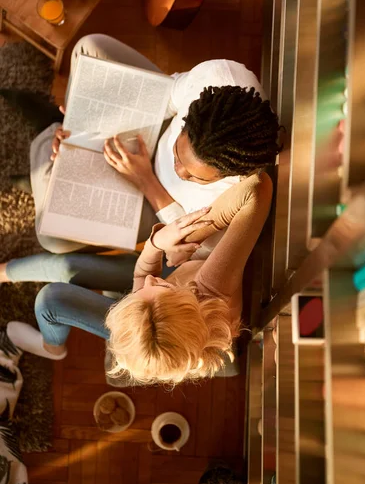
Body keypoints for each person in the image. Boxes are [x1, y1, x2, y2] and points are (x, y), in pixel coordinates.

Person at [6, 173, 272, 385]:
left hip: (162, 328)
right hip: (183, 297)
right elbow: (257, 188)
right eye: (159, 288)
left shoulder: (158, 308)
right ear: (185, 298)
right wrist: (187, 232)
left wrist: (156, 245)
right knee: (64, 270)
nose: (147, 282)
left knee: (51, 299)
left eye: (141, 294)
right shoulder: (213, 287)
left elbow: (142, 276)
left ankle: (51, 347)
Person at [30, 34, 280, 259]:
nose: (179, 170)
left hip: (157, 200)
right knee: (89, 47)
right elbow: (169, 96)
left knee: (49, 236)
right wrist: (91, 120)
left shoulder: (240, 198)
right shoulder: (218, 78)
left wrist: (146, 180)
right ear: (189, 120)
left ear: (229, 174)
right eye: (178, 155)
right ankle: (55, 138)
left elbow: (192, 244)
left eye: (194, 176)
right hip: (153, 128)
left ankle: (47, 138)